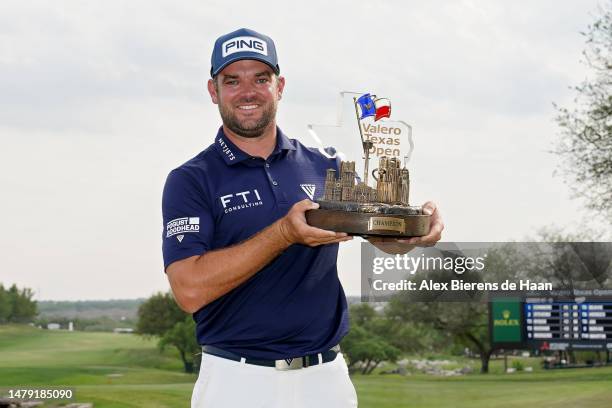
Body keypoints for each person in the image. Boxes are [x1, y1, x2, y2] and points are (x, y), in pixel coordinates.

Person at [162, 28, 444, 408]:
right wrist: (283, 233)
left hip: (326, 379)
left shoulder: (324, 165)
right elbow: (189, 290)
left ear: (279, 87)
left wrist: (415, 232)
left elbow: (378, 232)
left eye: (261, 78)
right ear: (214, 91)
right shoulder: (191, 179)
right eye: (233, 80)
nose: (248, 91)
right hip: (236, 380)